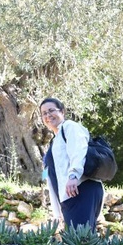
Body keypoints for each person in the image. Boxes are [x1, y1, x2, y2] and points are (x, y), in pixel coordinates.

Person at [40, 97, 104, 230]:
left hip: (81, 190)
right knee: (76, 242)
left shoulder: (70, 127)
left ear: (62, 111)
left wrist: (73, 176)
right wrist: (57, 211)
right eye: (44, 113)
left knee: (82, 242)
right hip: (70, 195)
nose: (48, 115)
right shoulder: (55, 140)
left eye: (51, 110)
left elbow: (78, 150)